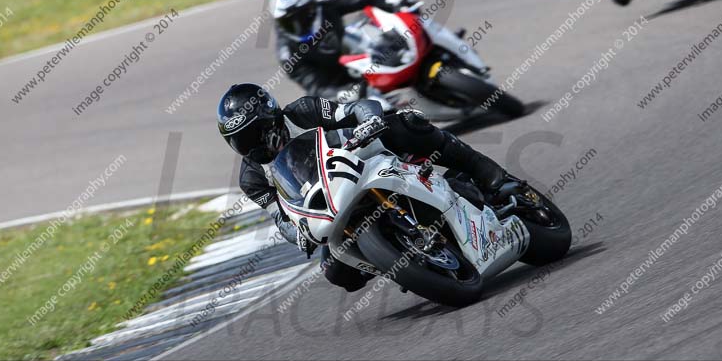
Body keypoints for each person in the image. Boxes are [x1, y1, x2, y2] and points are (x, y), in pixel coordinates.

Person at [218, 83, 526, 292]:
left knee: (406, 125)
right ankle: (400, 257)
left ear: (270, 117)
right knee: (337, 273)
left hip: (364, 159)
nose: (249, 146)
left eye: (252, 134)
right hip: (326, 207)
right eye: (238, 142)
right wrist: (296, 234)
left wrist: (368, 121)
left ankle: (491, 175)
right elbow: (281, 217)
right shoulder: (252, 177)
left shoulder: (302, 111)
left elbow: (356, 107)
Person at [272, 0, 421, 99]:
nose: (297, 26)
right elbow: (316, 88)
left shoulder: (325, 3)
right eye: (288, 23)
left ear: (311, 7)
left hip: (359, 54)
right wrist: (342, 93)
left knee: (372, 25)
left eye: (301, 18)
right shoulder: (287, 54)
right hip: (339, 85)